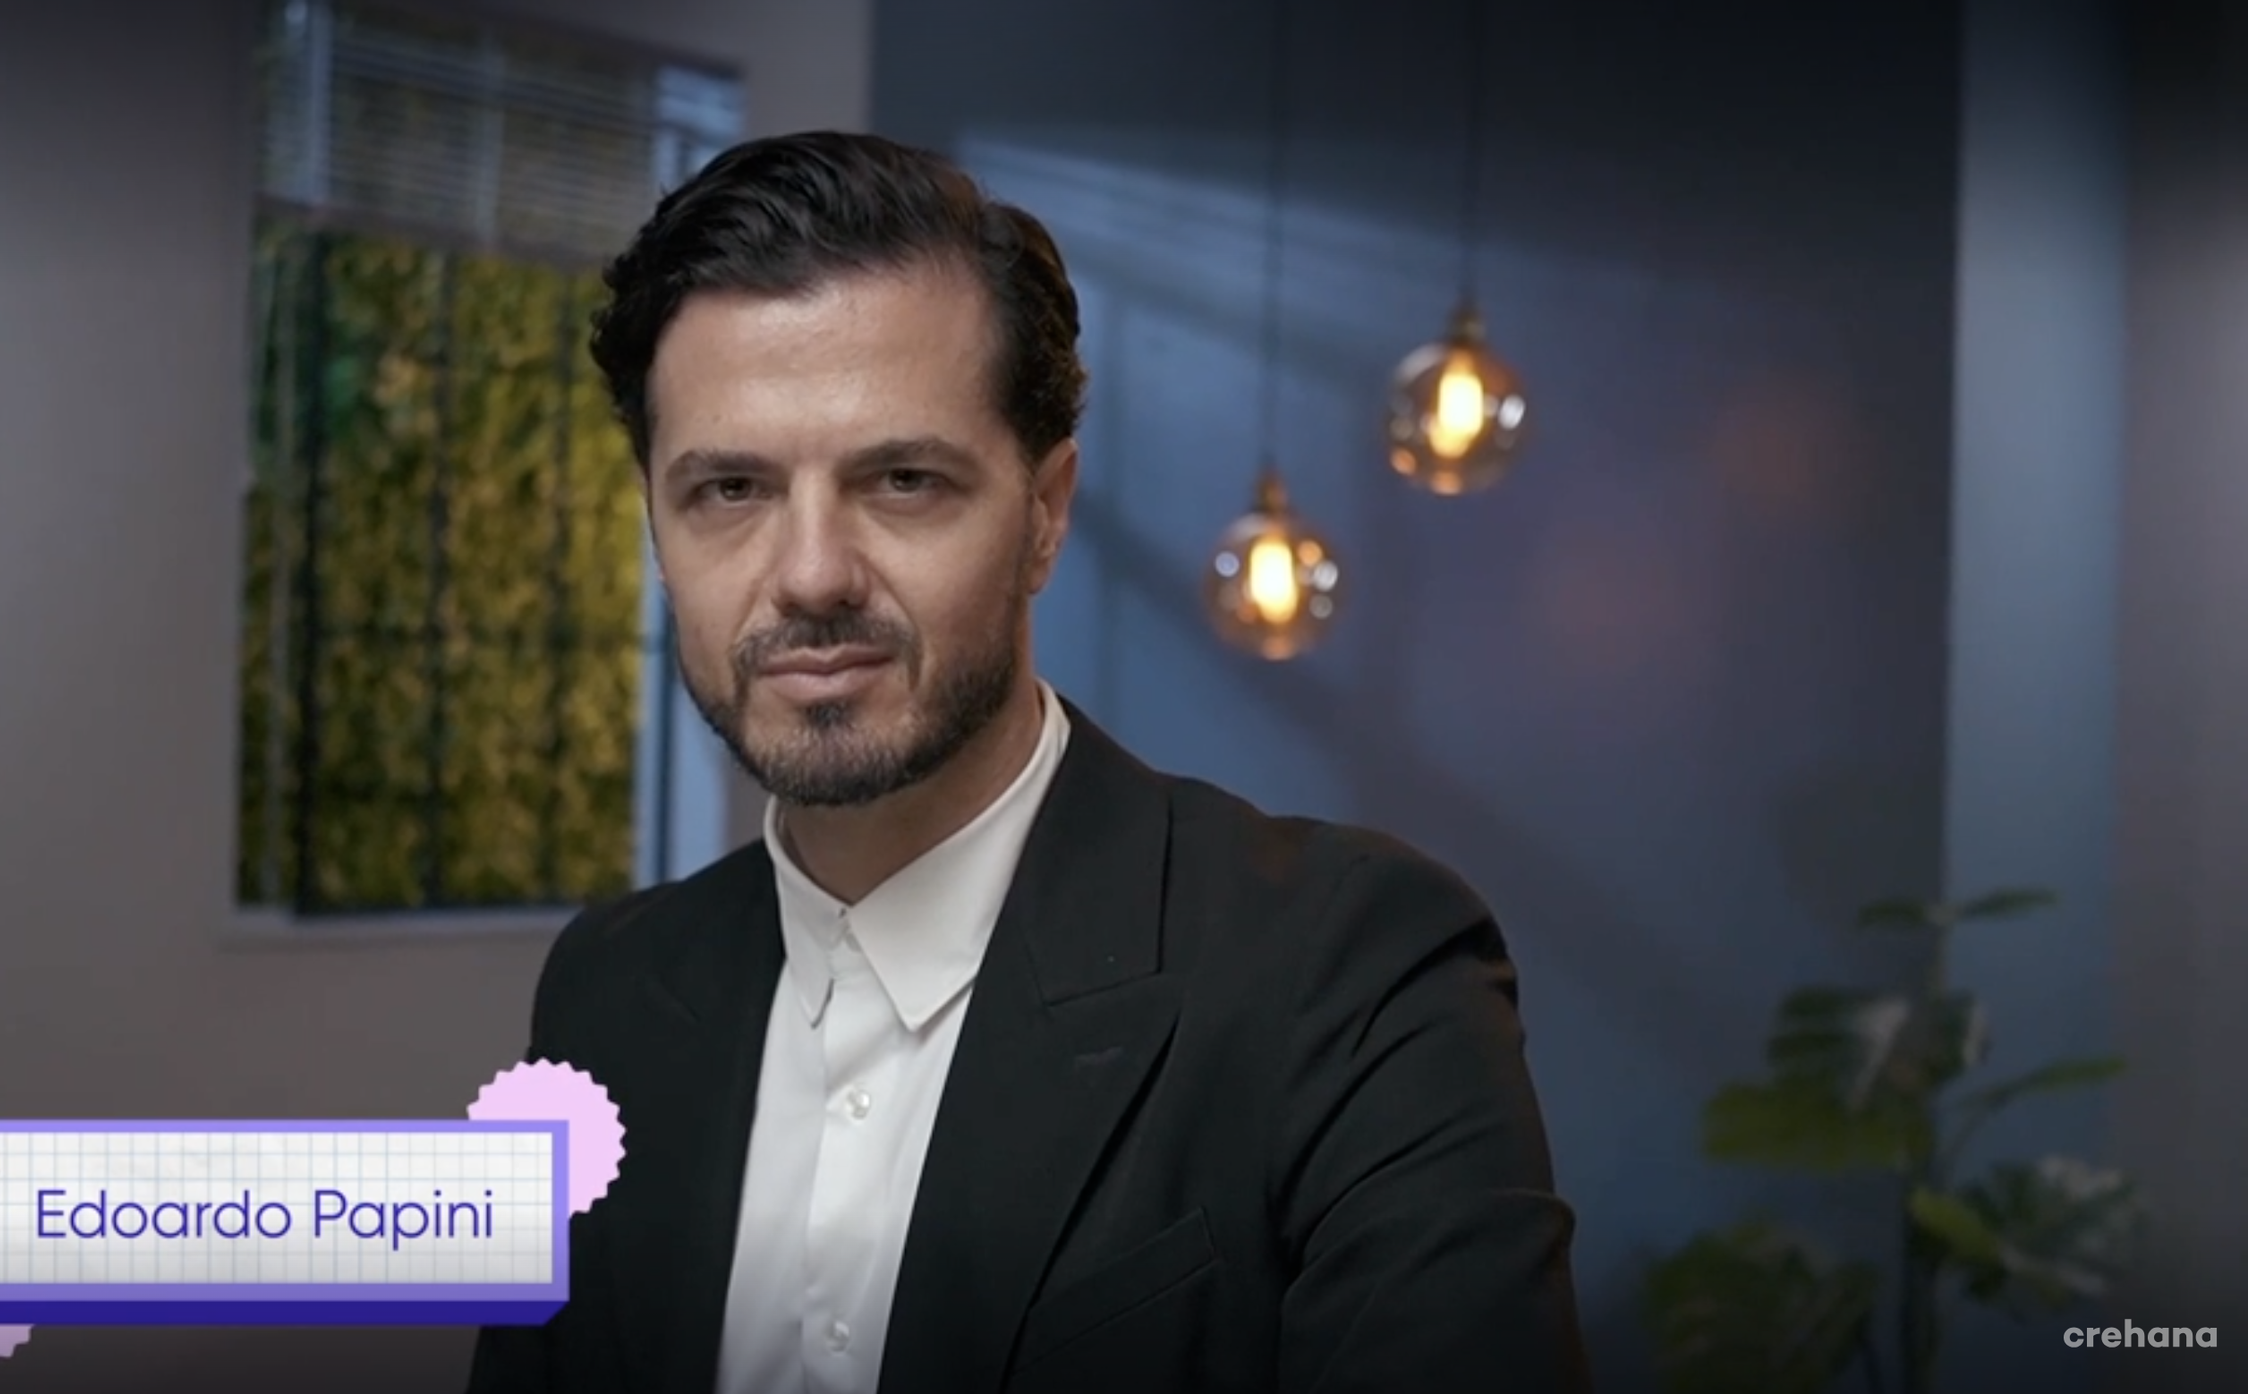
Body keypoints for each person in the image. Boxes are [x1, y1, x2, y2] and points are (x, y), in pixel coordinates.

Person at [466, 130, 1589, 1394]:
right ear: (659, 529)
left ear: (1045, 512)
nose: (810, 573)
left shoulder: (1355, 972)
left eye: (902, 479)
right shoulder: (605, 992)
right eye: (728, 488)